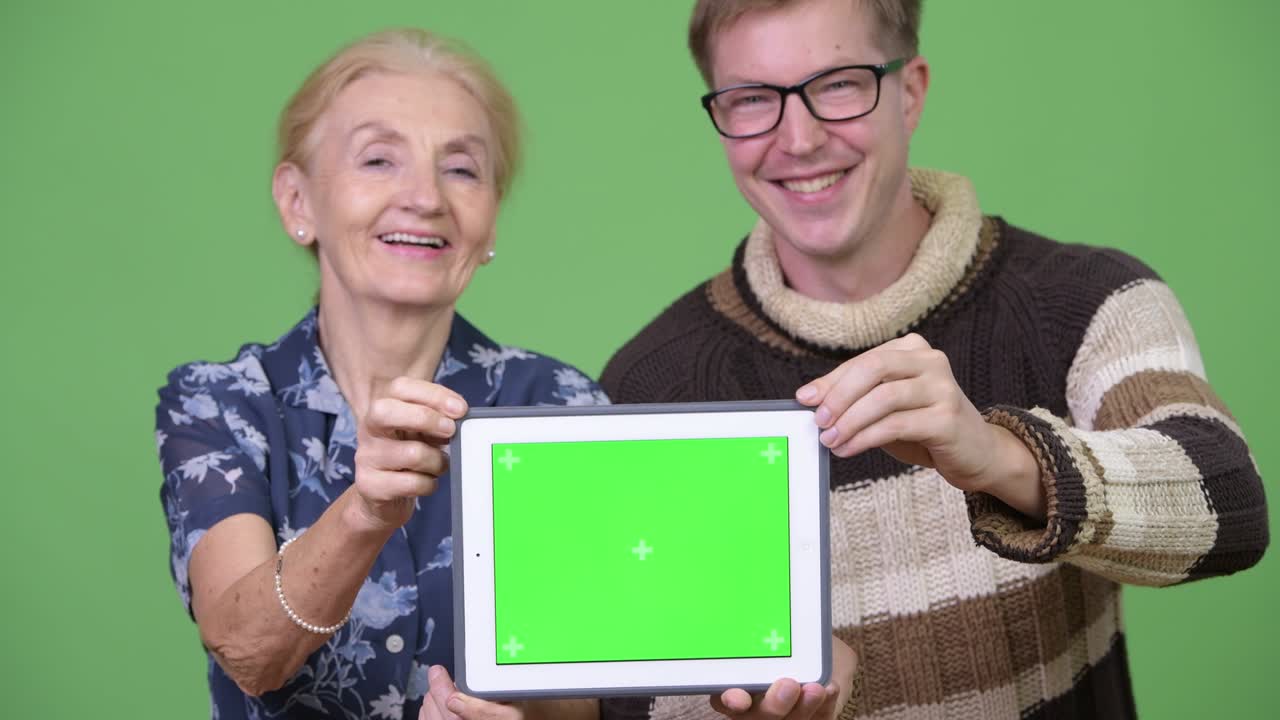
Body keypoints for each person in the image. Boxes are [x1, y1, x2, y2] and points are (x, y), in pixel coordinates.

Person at [599, 1, 1270, 718]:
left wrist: (999, 458)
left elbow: (1226, 506)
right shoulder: (650, 388)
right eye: (753, 99)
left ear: (910, 90)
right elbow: (630, 695)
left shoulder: (1088, 299)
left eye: (837, 85)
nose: (797, 139)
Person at [155, 29, 606, 720]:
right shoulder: (220, 405)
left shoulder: (560, 407)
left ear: (490, 219)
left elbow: (582, 697)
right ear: (298, 202)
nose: (424, 197)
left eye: (461, 169)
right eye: (378, 160)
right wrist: (364, 514)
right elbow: (247, 651)